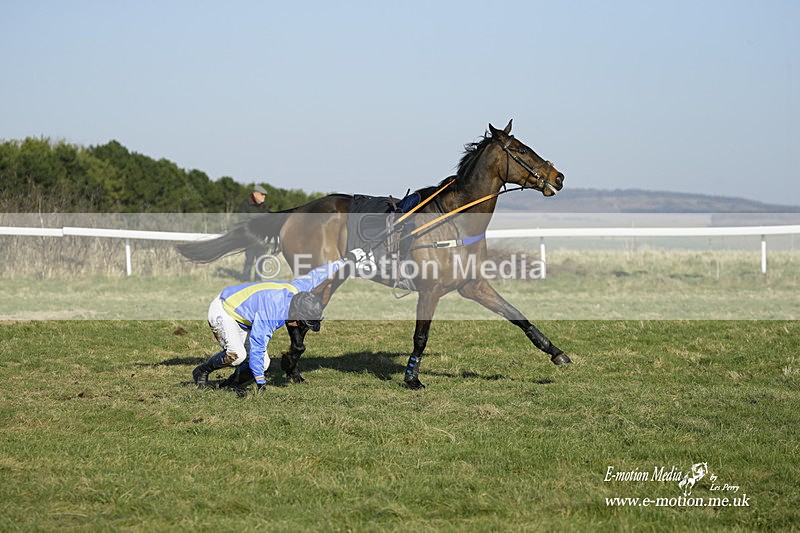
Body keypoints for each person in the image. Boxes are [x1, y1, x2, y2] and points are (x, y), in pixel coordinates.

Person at [192, 248, 373, 391]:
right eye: (303, 323)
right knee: (237, 355)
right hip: (224, 311)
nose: (300, 327)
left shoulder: (299, 292)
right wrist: (261, 382)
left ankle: (230, 386)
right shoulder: (274, 311)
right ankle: (202, 371)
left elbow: (319, 274)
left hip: (244, 320)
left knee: (263, 364)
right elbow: (258, 343)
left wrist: (347, 259)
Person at [239, 184, 270, 281]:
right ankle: (245, 279)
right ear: (255, 194)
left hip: (261, 237)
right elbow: (242, 220)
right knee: (249, 259)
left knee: (260, 259)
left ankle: (258, 280)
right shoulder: (245, 204)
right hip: (249, 237)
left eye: (265, 195)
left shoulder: (264, 206)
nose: (264, 197)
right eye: (262, 195)